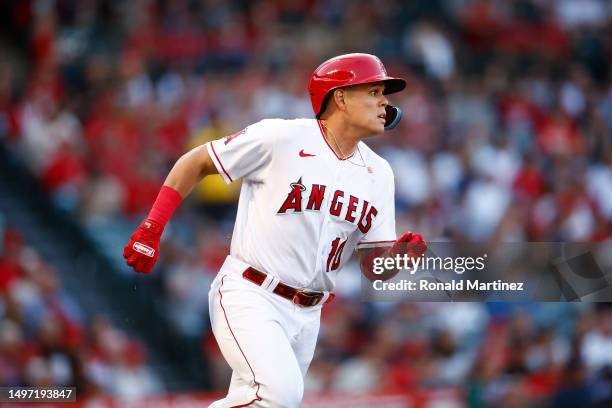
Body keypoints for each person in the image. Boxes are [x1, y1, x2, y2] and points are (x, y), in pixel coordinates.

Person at [123, 53, 426, 407]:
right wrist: (152, 226)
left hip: (309, 315)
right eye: (374, 91)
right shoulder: (281, 137)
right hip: (252, 292)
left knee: (261, 402)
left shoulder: (379, 172)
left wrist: (397, 260)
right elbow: (197, 161)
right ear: (341, 97)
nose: (384, 102)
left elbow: (373, 267)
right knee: (279, 396)